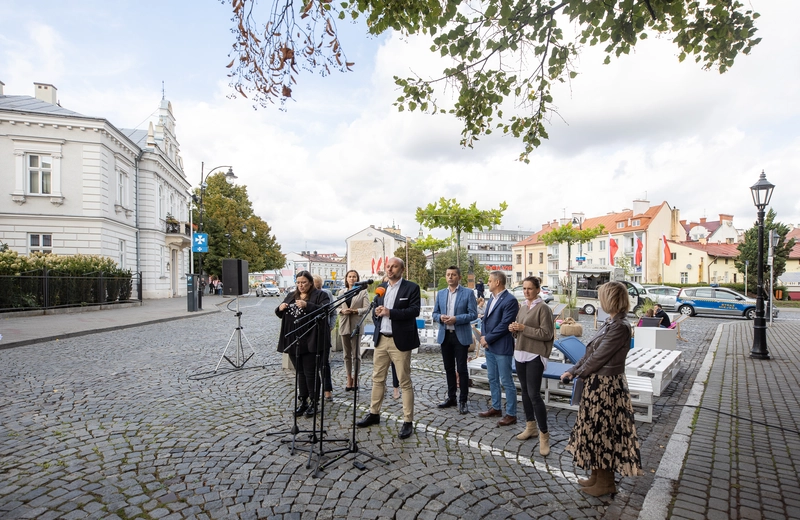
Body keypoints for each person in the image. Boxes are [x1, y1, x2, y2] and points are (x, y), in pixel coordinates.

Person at [560, 281, 643, 497]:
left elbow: (598, 358)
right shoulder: (611, 323)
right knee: (593, 431)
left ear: (611, 299)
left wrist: (579, 372)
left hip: (606, 388)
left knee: (603, 432)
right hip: (597, 385)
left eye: (602, 297)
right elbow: (589, 353)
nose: (599, 301)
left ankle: (606, 482)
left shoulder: (620, 326)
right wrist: (573, 370)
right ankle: (597, 475)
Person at [357, 257, 421, 440]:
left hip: (400, 341)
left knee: (404, 381)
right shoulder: (381, 288)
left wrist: (390, 313)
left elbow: (414, 311)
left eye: (394, 266)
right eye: (388, 266)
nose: (390, 269)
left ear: (402, 269)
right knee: (378, 378)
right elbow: (376, 310)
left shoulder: (411, 288)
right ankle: (374, 413)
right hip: (381, 340)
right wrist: (378, 314)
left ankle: (408, 421)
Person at [275, 271, 331, 418]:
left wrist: (307, 305)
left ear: (310, 282)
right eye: (298, 282)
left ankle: (314, 402)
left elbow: (325, 310)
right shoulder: (292, 295)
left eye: (304, 282)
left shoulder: (320, 295)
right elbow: (280, 312)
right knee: (300, 372)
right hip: (294, 340)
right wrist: (279, 308)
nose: (301, 285)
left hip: (311, 339)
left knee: (310, 372)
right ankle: (303, 401)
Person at [509, 276, 554, 454]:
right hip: (520, 353)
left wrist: (523, 328)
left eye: (530, 288)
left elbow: (547, 333)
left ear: (537, 289)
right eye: (524, 288)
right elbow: (519, 330)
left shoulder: (543, 308)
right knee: (525, 393)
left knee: (535, 395)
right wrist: (513, 329)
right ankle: (531, 426)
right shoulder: (523, 307)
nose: (526, 291)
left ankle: (544, 435)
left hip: (535, 354)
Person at [432, 266, 478, 414]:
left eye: (453, 275)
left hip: (460, 336)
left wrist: (456, 319)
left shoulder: (468, 293)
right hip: (445, 336)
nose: (450, 277)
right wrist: (440, 317)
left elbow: (473, 314)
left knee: (462, 369)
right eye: (448, 274)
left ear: (459, 277)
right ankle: (451, 397)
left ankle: (463, 400)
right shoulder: (440, 294)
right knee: (449, 369)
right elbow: (434, 313)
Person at [478, 271, 520, 427]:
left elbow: (505, 325)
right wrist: (483, 338)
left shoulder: (510, 300)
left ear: (497, 282)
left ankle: (511, 413)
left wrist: (487, 338)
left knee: (506, 381)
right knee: (492, 379)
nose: (487, 283)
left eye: (489, 281)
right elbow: (485, 320)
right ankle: (496, 407)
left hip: (502, 347)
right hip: (489, 346)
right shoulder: (491, 299)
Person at [337, 269, 370, 391]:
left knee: (356, 355)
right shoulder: (342, 292)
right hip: (344, 324)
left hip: (356, 325)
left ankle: (356, 378)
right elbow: (336, 308)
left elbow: (367, 308)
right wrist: (341, 311)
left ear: (357, 279)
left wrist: (355, 311)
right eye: (350, 276)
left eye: (354, 276)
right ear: (346, 279)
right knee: (346, 355)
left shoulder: (362, 292)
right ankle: (348, 378)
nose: (352, 279)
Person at [312, 275, 335, 401]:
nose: (318, 289)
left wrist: (330, 326)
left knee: (324, 363)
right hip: (310, 334)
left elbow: (333, 311)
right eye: (316, 287)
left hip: (323, 333)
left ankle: (327, 390)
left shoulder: (327, 294)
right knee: (311, 364)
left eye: (319, 287)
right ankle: (313, 390)